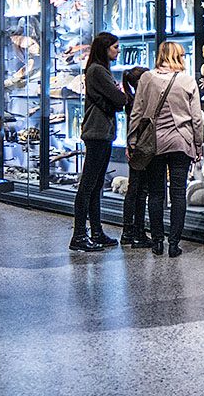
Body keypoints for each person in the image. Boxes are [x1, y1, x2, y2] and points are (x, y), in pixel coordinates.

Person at [131, 42, 203, 257]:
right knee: (178, 194)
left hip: (154, 144)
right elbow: (197, 118)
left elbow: (137, 111)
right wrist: (198, 144)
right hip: (181, 142)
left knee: (156, 193)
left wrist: (132, 139)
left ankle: (157, 242)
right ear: (179, 56)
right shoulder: (188, 81)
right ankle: (174, 244)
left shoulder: (147, 78)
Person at [71, 31, 126, 252]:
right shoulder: (97, 71)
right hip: (97, 133)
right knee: (88, 185)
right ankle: (79, 235)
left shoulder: (99, 70)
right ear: (105, 49)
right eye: (114, 47)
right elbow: (120, 99)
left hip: (101, 132)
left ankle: (95, 231)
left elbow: (116, 100)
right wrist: (119, 95)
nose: (118, 51)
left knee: (95, 185)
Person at [119, 66, 152, 248]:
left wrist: (128, 144)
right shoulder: (140, 102)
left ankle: (128, 231)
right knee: (140, 192)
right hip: (142, 148)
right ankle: (138, 232)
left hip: (134, 148)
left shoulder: (130, 100)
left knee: (134, 190)